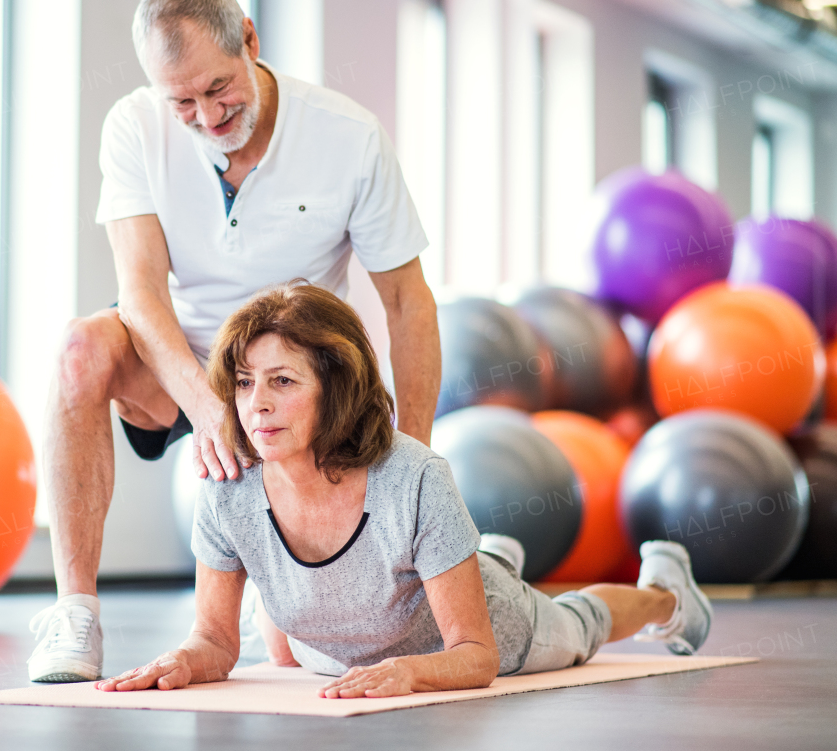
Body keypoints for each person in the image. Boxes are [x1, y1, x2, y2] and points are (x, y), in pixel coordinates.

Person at [27, 0, 440, 683]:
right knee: (80, 348)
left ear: (250, 40)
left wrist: (414, 467)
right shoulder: (134, 125)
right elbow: (141, 293)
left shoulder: (348, 136)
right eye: (181, 101)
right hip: (177, 360)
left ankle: (281, 595)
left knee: (285, 648)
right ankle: (75, 611)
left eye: (220, 89)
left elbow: (408, 304)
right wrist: (210, 408)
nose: (207, 116)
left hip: (293, 374)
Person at [96, 283, 713, 697]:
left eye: (282, 381)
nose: (256, 405)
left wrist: (408, 673)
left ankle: (664, 590)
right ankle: (482, 552)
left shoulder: (412, 475)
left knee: (581, 624)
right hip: (351, 647)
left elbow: (476, 656)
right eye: (244, 381)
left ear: (336, 386)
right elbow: (215, 641)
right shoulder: (227, 485)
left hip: (489, 633)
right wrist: (184, 660)